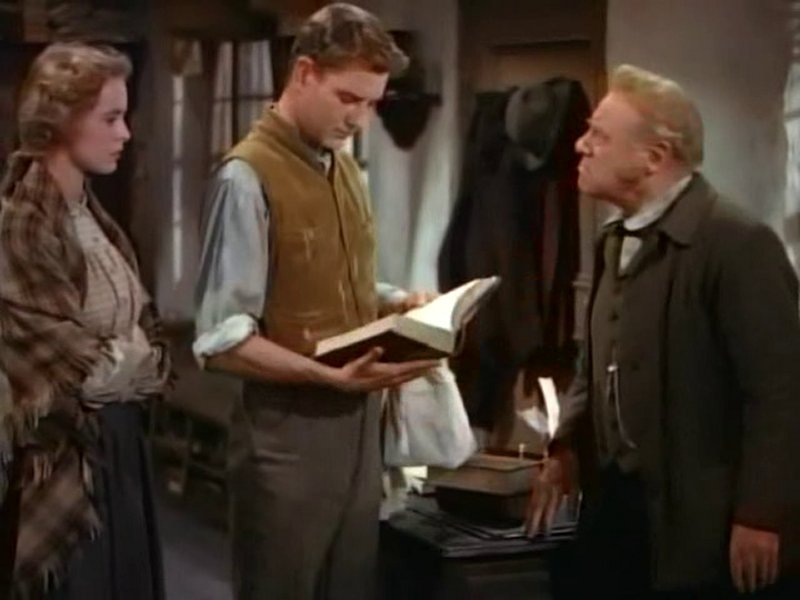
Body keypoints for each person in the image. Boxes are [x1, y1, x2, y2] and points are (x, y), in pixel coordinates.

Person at [526, 64, 800, 598]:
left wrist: (762, 515)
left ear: (653, 157)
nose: (580, 145)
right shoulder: (612, 240)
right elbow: (593, 360)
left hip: (705, 521)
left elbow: (782, 392)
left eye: (599, 135)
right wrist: (565, 448)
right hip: (619, 510)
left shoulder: (736, 244)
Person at [193, 4, 437, 599]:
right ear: (304, 73)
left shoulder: (343, 167)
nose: (359, 118)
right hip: (286, 447)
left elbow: (333, 281)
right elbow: (221, 339)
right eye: (347, 98)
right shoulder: (247, 177)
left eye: (371, 103)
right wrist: (326, 377)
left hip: (357, 438)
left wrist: (397, 302)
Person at [0, 43, 170, 599]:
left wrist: (130, 358)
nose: (125, 133)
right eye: (110, 118)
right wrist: (128, 358)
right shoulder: (21, 226)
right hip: (65, 462)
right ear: (59, 121)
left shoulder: (95, 220)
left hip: (120, 447)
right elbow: (71, 372)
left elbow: (150, 338)